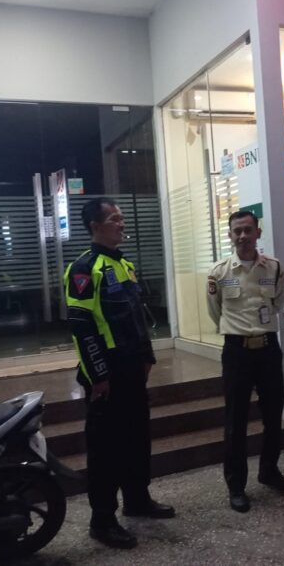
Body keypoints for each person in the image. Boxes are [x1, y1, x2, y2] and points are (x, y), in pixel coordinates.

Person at [65, 196, 174, 549]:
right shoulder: (84, 268)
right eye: (114, 219)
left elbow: (138, 318)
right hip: (107, 375)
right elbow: (82, 326)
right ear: (95, 226)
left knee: (137, 439)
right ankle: (102, 520)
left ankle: (137, 499)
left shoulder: (124, 264)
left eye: (122, 217)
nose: (121, 223)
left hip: (132, 371)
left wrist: (147, 358)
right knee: (106, 451)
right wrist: (98, 376)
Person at [206, 210, 284, 513]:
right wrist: (238, 331)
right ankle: (236, 485)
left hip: (268, 349)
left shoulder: (274, 267)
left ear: (258, 232)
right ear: (230, 235)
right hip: (237, 352)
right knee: (236, 420)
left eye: (248, 230)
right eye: (237, 231)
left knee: (273, 414)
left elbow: (278, 301)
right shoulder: (219, 272)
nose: (242, 236)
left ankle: (269, 471)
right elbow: (215, 311)